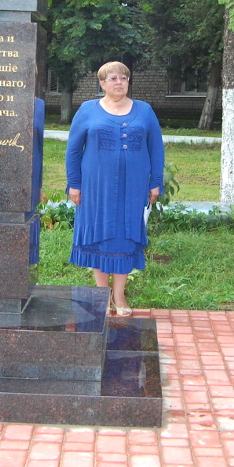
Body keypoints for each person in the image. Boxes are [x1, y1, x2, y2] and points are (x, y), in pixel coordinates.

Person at [65, 62, 165, 316]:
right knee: (100, 233)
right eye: (112, 79)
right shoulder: (88, 110)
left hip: (133, 187)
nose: (119, 82)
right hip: (95, 187)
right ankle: (101, 294)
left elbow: (156, 148)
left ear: (129, 81)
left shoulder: (144, 110)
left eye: (123, 78)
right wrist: (74, 184)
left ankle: (119, 295)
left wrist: (156, 182)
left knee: (125, 234)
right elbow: (73, 150)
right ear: (102, 84)